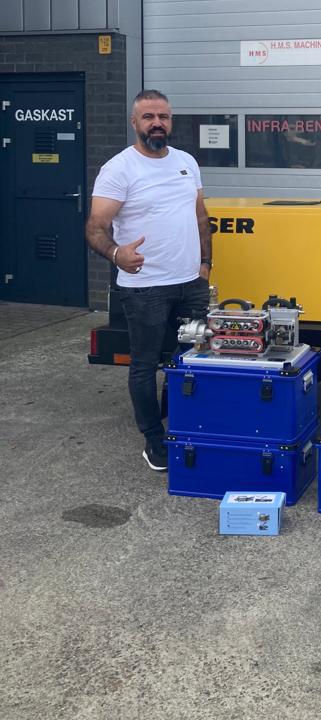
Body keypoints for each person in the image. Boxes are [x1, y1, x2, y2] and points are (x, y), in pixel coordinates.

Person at [85, 90, 212, 472]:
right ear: (134, 122)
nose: (157, 123)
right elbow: (95, 226)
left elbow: (201, 217)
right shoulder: (119, 169)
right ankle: (154, 440)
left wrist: (205, 264)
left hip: (190, 283)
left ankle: (183, 424)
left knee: (187, 358)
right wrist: (116, 254)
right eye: (148, 117)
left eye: (163, 117)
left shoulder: (186, 162)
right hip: (145, 288)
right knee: (144, 364)